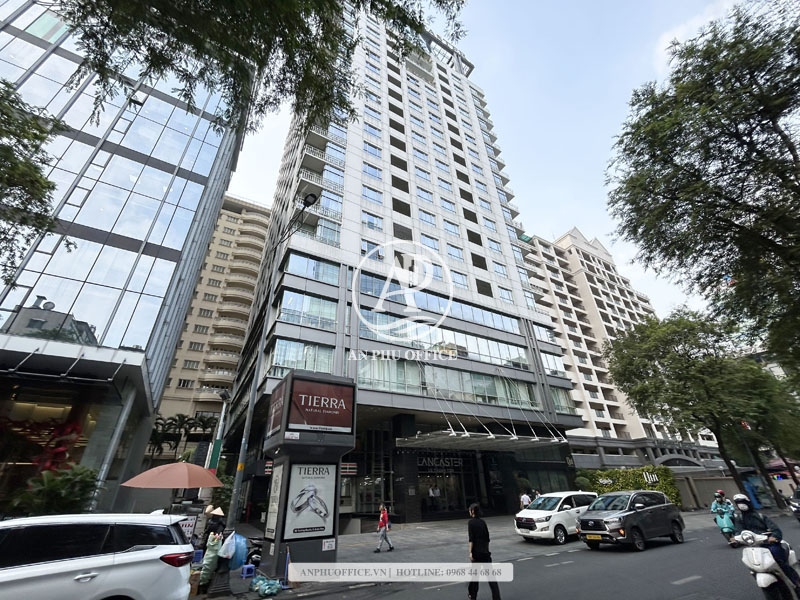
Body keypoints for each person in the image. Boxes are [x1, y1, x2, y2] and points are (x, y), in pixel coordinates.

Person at [730, 493, 800, 593]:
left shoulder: (761, 516)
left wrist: (774, 537)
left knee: (780, 560)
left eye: (742, 502)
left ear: (748, 503)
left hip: (768, 544)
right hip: (753, 546)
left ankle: (796, 582)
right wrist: (736, 538)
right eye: (738, 503)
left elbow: (775, 530)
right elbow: (738, 531)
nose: (741, 505)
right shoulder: (739, 519)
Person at [467, 503, 501, 600]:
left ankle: (473, 596)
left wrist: (470, 552)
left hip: (476, 553)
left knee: (475, 577)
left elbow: (471, 539)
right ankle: (497, 597)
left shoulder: (471, 523)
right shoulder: (483, 522)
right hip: (485, 553)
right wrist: (486, 550)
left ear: (472, 511)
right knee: (491, 578)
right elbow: (487, 538)